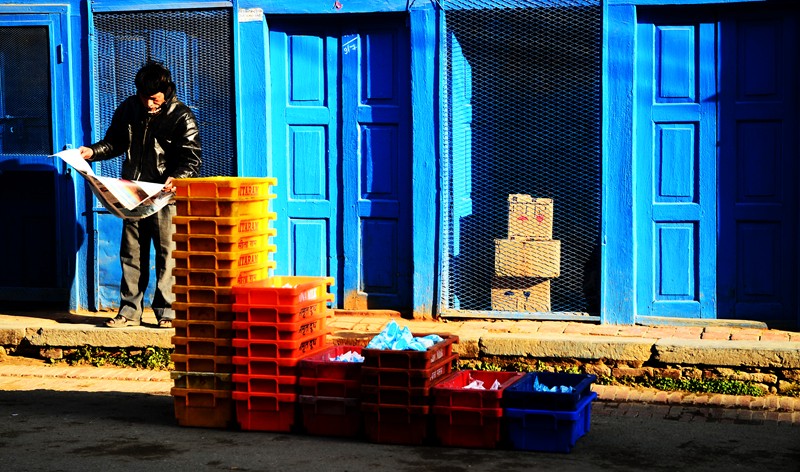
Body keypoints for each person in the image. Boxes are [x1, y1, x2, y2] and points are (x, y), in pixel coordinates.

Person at [79, 61, 201, 328]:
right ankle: (129, 311)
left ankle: (167, 311)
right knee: (132, 253)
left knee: (167, 254)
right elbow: (114, 142)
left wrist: (178, 177)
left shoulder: (182, 116)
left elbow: (191, 159)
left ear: (166, 91)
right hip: (133, 193)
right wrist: (92, 152)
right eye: (144, 97)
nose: (149, 104)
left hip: (165, 197)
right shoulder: (129, 108)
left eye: (154, 98)